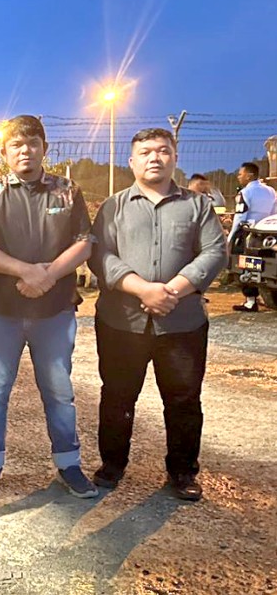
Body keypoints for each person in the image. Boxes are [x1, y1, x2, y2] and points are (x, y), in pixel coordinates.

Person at [89, 128, 227, 501]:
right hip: (121, 322)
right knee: (117, 396)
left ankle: (182, 471)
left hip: (182, 322)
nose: (155, 157)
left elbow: (214, 252)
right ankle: (112, 465)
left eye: (163, 150)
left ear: (174, 158)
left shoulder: (197, 206)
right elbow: (100, 255)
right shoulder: (114, 206)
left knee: (183, 399)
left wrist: (172, 290)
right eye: (146, 151)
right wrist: (142, 289)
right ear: (132, 161)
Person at [0, 114, 98, 498]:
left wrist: (48, 276)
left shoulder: (67, 191)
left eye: (33, 143)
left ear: (44, 148)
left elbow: (84, 243)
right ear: (4, 152)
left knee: (59, 390)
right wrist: (25, 271)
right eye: (17, 145)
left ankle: (69, 464)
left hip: (54, 310)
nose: (25, 151)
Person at [229, 162, 277, 312]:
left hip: (248, 233)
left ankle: (250, 301)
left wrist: (231, 236)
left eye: (240, 174)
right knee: (266, 265)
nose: (238, 177)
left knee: (245, 265)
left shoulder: (245, 193)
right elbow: (274, 212)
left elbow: (240, 216)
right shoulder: (271, 191)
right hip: (269, 234)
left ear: (249, 176)